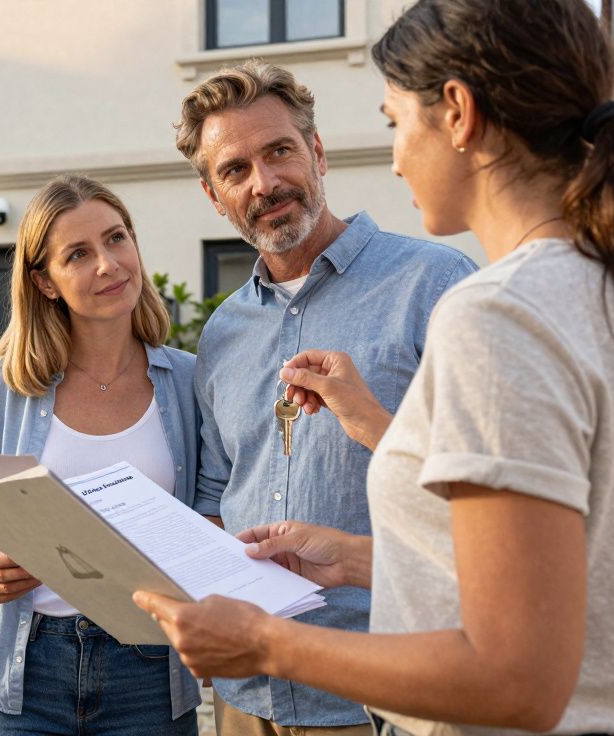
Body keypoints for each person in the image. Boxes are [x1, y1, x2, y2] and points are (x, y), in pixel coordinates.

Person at [135, 0, 614, 733]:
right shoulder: (608, 287)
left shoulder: (490, 311)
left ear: (458, 114)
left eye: (393, 121)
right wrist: (351, 559)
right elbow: (550, 574)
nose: (397, 154)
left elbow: (514, 678)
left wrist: (263, 641)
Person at [174, 60, 477, 735]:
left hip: (380, 691)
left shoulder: (436, 284)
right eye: (235, 170)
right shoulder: (223, 332)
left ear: (316, 151)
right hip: (245, 697)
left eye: (279, 150)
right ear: (212, 193)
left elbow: (483, 485)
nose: (265, 182)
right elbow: (220, 490)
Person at [0, 175, 202, 735]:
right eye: (79, 254)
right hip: (26, 668)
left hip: (149, 670)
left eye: (116, 240)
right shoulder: (4, 388)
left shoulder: (189, 382)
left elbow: (214, 515)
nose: (108, 265)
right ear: (45, 281)